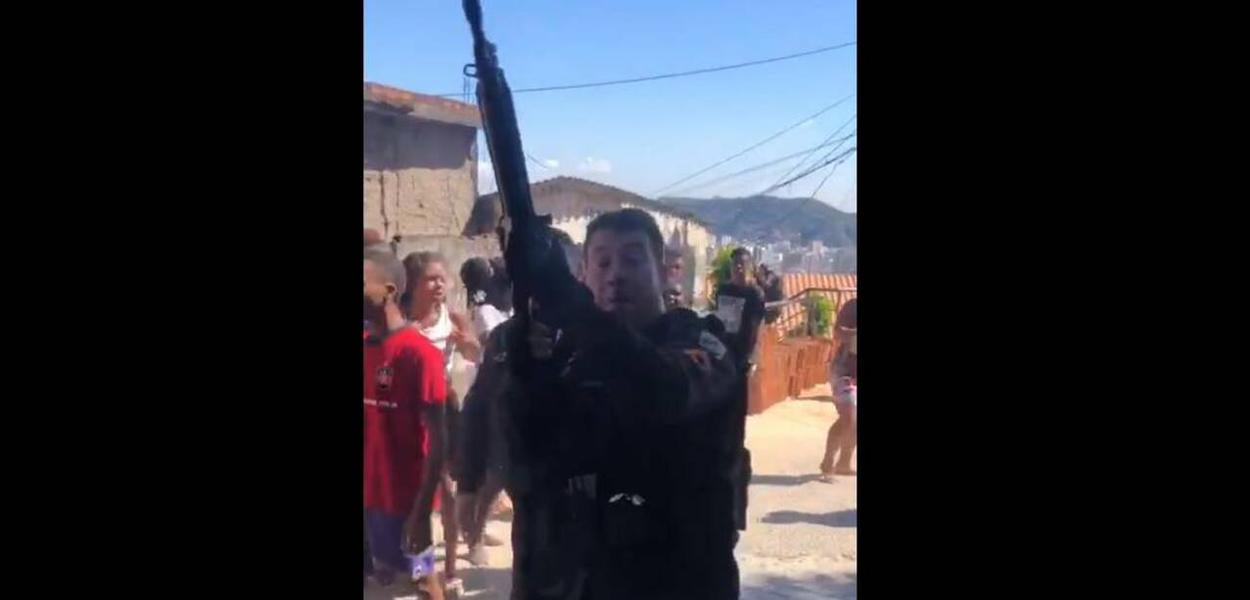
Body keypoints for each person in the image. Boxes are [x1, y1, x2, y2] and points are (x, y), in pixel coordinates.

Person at [507, 209, 740, 600]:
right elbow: (527, 468)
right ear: (584, 273)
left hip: (675, 581)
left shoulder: (701, 345)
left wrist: (575, 308)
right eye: (602, 263)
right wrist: (526, 378)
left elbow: (664, 388)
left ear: (664, 270)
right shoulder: (567, 355)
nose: (616, 274)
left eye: (632, 259)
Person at [456, 230, 583, 571]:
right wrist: (466, 484)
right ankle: (476, 537)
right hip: (518, 473)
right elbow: (479, 403)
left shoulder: (601, 335)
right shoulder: (506, 337)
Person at [363, 245, 448, 589]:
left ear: (389, 291)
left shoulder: (420, 354)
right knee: (385, 576)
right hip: (373, 495)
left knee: (424, 579)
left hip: (408, 501)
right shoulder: (365, 346)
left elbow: (439, 442)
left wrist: (422, 511)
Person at [402, 251, 483, 583]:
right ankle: (420, 568)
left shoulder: (454, 318)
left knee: (448, 491)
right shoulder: (402, 323)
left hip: (444, 410)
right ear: (413, 284)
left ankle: (449, 568)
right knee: (415, 493)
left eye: (441, 278)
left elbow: (476, 354)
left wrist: (466, 344)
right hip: (409, 413)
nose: (438, 285)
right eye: (430, 279)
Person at [713, 248, 766, 536]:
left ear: (749, 267)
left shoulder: (754, 294)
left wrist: (751, 359)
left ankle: (734, 447)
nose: (738, 270)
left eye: (743, 265)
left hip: (742, 358)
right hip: (724, 353)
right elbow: (720, 322)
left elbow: (756, 329)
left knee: (737, 410)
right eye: (735, 265)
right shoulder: (724, 290)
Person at [820, 297, 858, 482]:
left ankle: (844, 462)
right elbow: (837, 333)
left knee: (854, 419)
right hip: (844, 370)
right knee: (848, 416)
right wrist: (853, 333)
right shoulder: (852, 306)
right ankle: (828, 461)